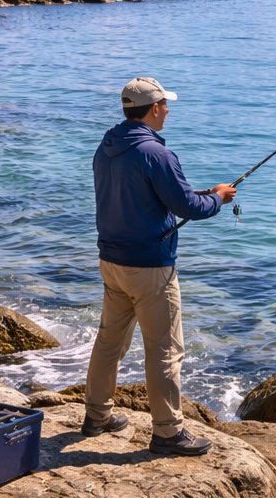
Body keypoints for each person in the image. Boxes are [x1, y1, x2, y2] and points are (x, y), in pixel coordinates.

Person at [82, 76, 236, 453]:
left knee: (109, 341)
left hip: (112, 261)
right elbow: (187, 208)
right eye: (165, 104)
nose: (168, 110)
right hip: (150, 267)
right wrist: (218, 198)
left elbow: (143, 196)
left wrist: (198, 194)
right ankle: (167, 432)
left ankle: (96, 416)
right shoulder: (157, 154)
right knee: (165, 349)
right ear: (153, 109)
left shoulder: (107, 148)